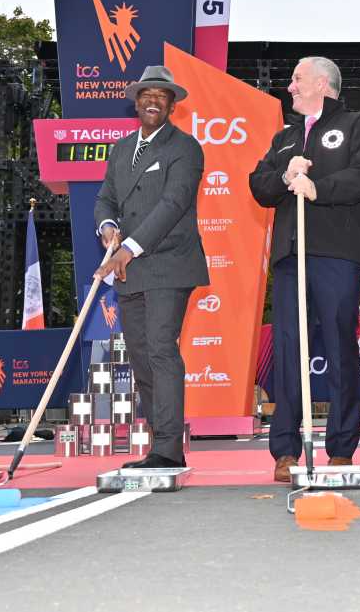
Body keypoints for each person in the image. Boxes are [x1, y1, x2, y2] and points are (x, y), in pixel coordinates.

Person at [248, 56, 360, 482]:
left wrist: (317, 188)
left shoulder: (359, 125)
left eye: (296, 79)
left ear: (323, 84)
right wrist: (284, 174)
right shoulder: (285, 138)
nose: (289, 87)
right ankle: (285, 450)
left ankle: (341, 449)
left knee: (340, 345)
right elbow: (258, 185)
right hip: (292, 259)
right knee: (289, 349)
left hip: (337, 255)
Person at [94, 65, 209, 469]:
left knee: (161, 350)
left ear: (172, 104)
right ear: (136, 101)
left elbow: (173, 204)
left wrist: (129, 247)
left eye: (161, 95)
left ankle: (167, 448)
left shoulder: (185, 148)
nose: (153, 100)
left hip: (169, 264)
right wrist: (108, 229)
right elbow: (106, 198)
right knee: (141, 356)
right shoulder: (122, 148)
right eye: (146, 94)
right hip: (129, 270)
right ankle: (157, 443)